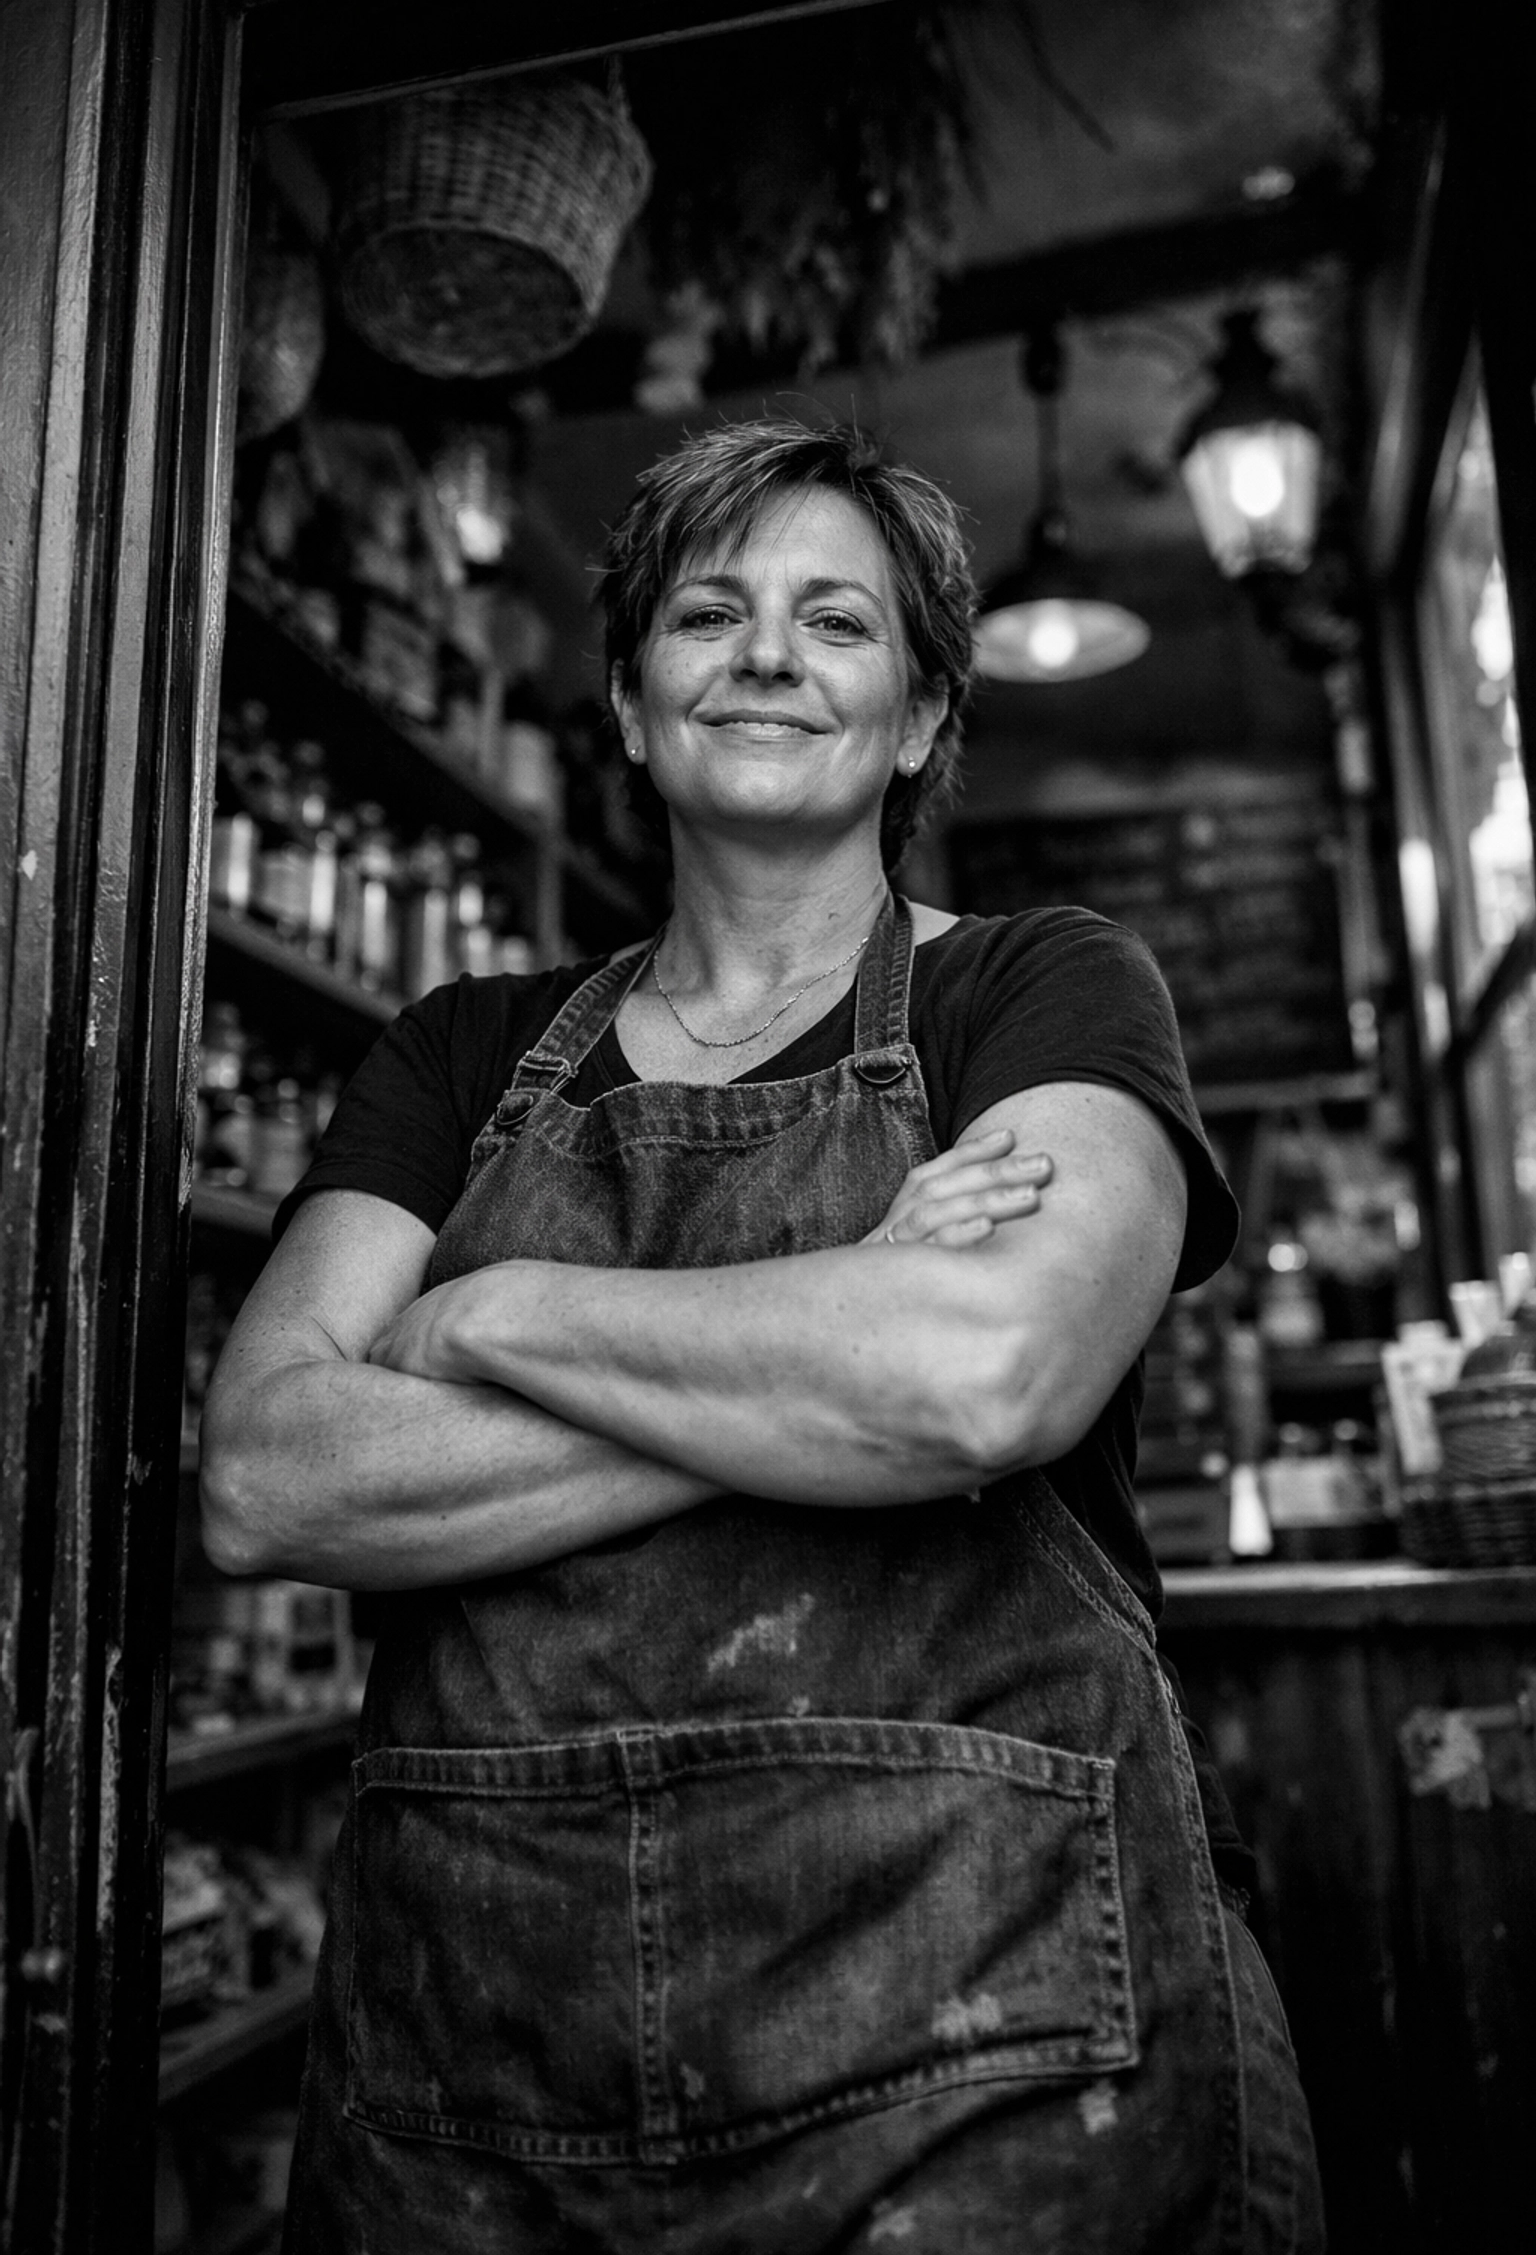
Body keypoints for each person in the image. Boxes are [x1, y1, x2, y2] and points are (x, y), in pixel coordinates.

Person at [203, 418, 1323, 2252]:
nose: (771, 656)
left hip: (993, 2041)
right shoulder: (460, 1054)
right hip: (481, 2073)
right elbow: (266, 1478)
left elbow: (982, 1374)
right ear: (634, 712)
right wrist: (836, 1321)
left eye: (839, 623)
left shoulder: (1037, 991)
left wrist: (490, 1314)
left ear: (921, 721)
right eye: (710, 614)